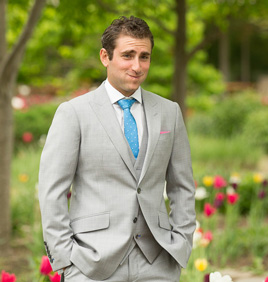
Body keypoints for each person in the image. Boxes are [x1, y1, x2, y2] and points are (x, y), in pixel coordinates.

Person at [37, 16, 196, 281]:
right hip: (91, 263)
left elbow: (183, 186)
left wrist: (181, 243)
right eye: (128, 55)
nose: (137, 66)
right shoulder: (73, 113)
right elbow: (52, 191)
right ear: (105, 57)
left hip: (157, 262)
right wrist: (65, 259)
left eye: (144, 56)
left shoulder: (170, 112)